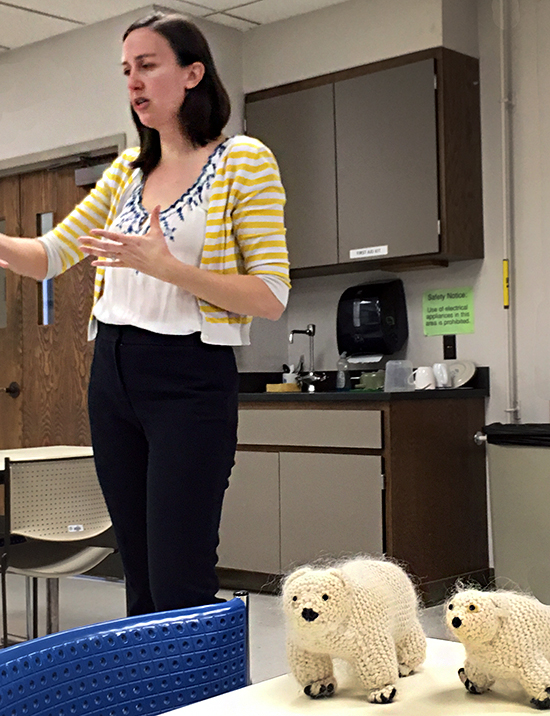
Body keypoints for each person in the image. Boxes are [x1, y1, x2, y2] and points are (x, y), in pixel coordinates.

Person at [0, 12, 290, 616]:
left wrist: (170, 269)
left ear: (192, 73)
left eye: (148, 65)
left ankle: (199, 704)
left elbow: (270, 294)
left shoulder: (242, 160)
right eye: (127, 69)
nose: (133, 81)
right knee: (137, 569)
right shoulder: (126, 173)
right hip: (113, 371)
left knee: (179, 572)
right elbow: (48, 257)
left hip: (188, 375)